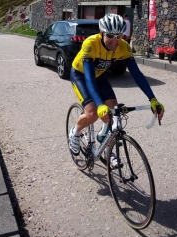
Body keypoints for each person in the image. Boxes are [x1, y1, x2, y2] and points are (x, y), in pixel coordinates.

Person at [68, 13, 164, 165]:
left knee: (114, 112)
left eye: (119, 36)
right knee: (92, 114)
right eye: (111, 35)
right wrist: (99, 105)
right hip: (81, 75)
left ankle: (106, 147)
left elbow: (137, 74)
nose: (115, 40)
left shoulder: (124, 46)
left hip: (99, 76)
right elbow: (88, 78)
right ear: (101, 33)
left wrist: (153, 99)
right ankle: (75, 132)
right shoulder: (90, 44)